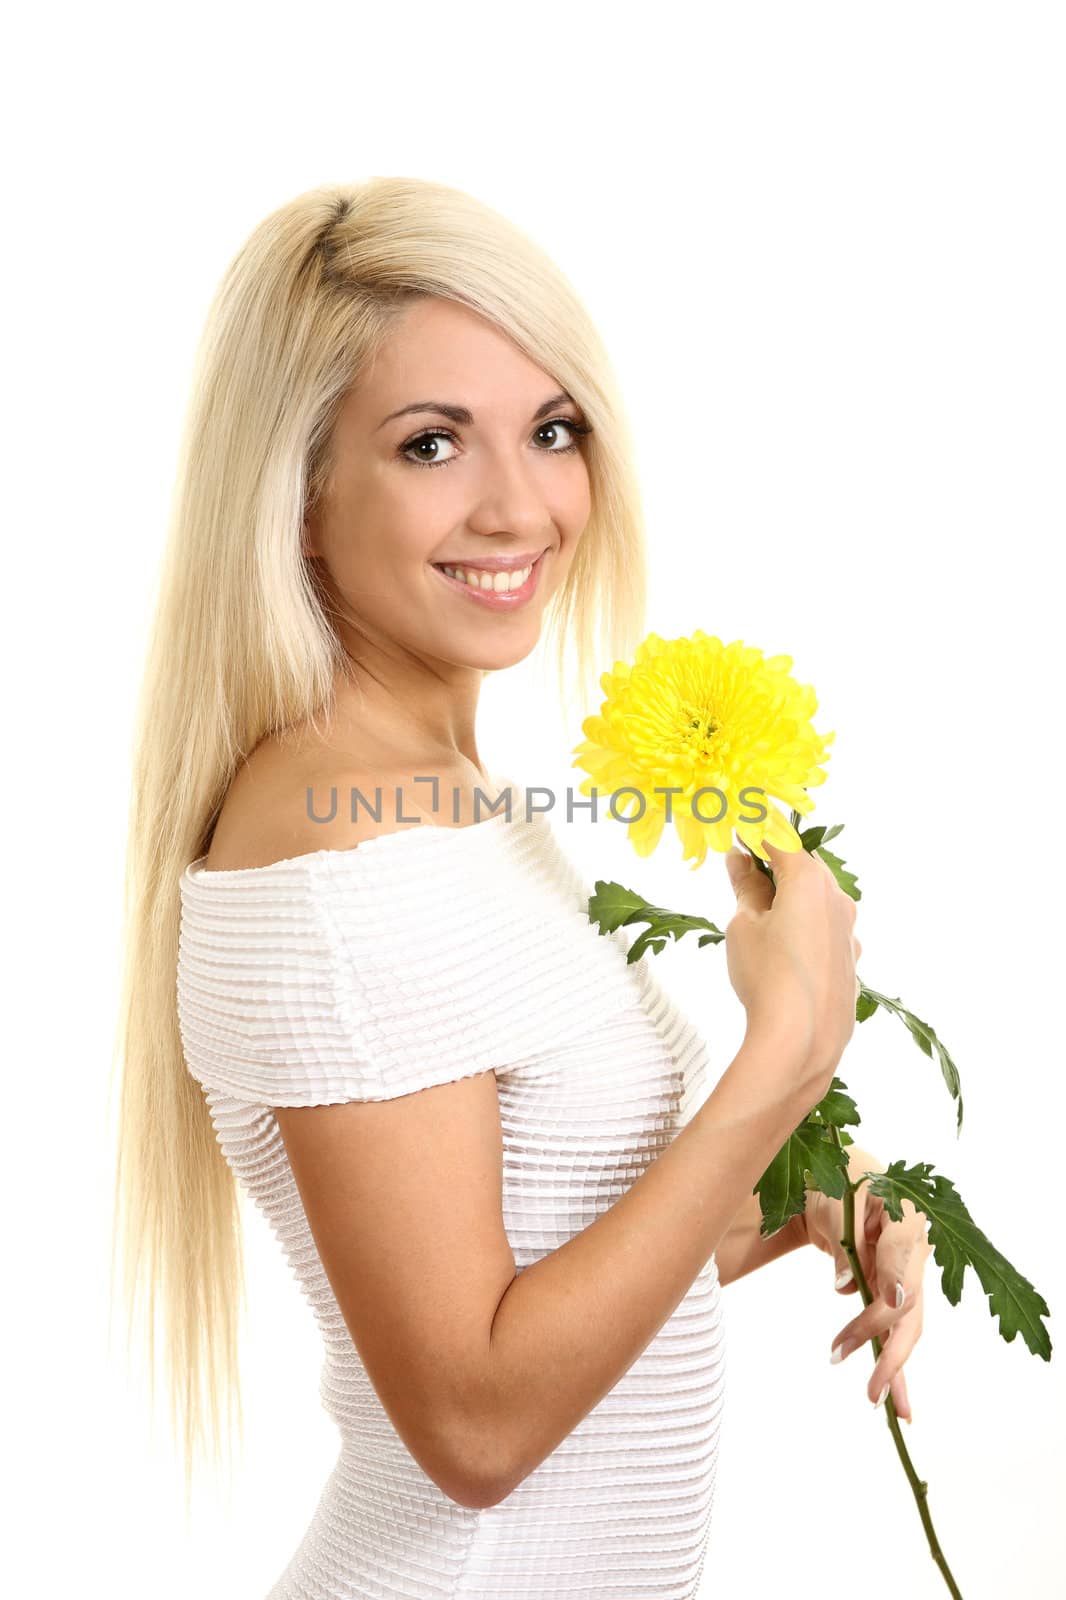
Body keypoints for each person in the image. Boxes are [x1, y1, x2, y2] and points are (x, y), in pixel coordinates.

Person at [111, 176, 929, 1598]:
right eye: (430, 444)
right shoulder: (337, 872)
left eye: (551, 430)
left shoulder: (441, 805)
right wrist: (782, 1062)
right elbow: (475, 1423)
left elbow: (532, 1273)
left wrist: (785, 1196)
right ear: (298, 499)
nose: (521, 505)